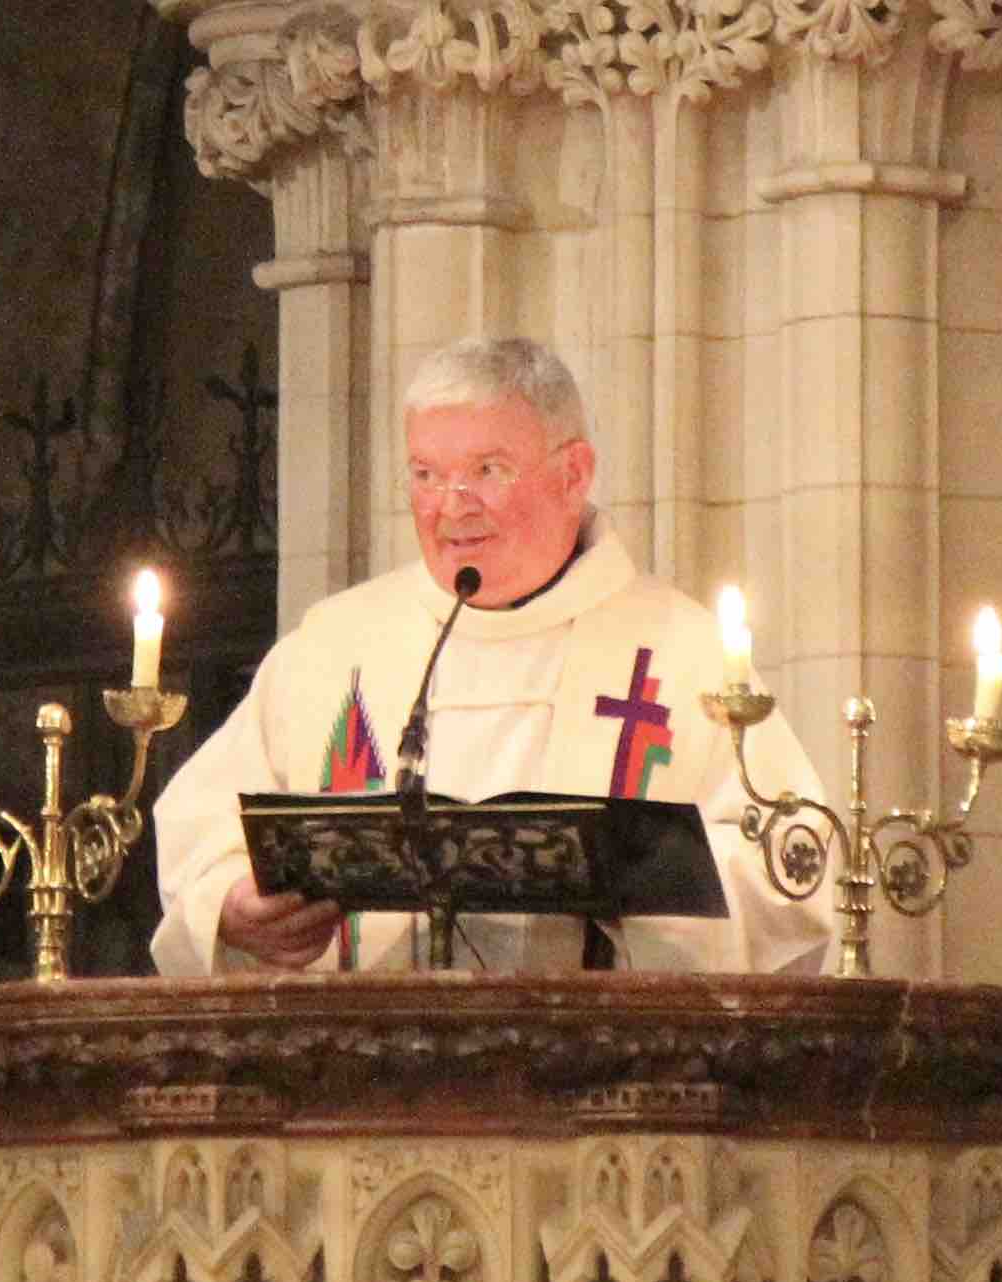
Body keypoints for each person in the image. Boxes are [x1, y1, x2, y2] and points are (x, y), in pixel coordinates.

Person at [150, 336, 835, 975]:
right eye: (426, 473)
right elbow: (201, 828)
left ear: (574, 474)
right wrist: (234, 905)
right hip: (361, 1069)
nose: (452, 506)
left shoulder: (683, 653)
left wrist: (638, 877)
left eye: (488, 470)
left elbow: (795, 866)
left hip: (602, 1070)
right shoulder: (335, 646)